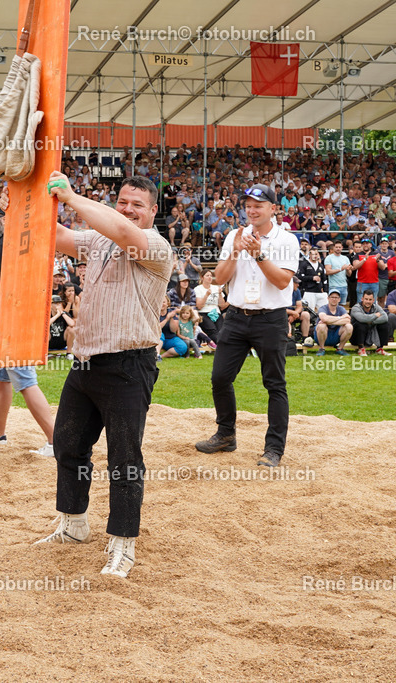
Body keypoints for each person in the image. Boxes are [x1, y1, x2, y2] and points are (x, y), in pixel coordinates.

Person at [33, 172, 172, 580]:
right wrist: (24, 200)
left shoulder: (157, 247)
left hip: (130, 364)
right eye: (123, 201)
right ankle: (74, 523)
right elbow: (56, 234)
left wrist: (73, 197)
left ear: (152, 211)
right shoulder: (97, 239)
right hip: (86, 360)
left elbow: (124, 231)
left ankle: (123, 545)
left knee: (125, 460)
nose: (128, 209)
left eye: (137, 204)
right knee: (68, 442)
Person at [195, 184, 299, 469]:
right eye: (248, 205)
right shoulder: (234, 235)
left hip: (271, 318)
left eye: (259, 205)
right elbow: (218, 278)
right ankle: (226, 434)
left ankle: (274, 448)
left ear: (273, 208)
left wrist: (259, 255)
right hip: (238, 317)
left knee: (275, 384)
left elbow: (281, 282)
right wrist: (235, 252)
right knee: (219, 378)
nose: (252, 210)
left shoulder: (287, 240)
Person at [0, 197, 55, 456]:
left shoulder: (3, 247)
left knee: (25, 382)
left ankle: (57, 440)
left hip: (11, 324)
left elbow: (8, 290)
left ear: (6, 219)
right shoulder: (3, 245)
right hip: (8, 324)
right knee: (1, 380)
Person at [350, 290, 391, 355]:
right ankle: (361, 348)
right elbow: (362, 319)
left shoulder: (376, 307)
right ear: (362, 299)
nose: (368, 301)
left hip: (371, 334)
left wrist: (370, 321)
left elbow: (385, 317)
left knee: (385, 324)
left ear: (373, 300)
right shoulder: (355, 308)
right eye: (366, 299)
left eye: (370, 299)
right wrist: (375, 315)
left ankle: (379, 349)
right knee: (360, 324)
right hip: (356, 337)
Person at [314, 290, 354, 355]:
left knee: (349, 326)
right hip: (322, 336)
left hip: (336, 335)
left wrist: (328, 321)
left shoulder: (341, 309)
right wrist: (340, 318)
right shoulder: (323, 308)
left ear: (339, 299)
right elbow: (324, 318)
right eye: (332, 297)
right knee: (322, 326)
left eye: (336, 297)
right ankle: (321, 349)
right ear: (328, 298)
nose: (334, 299)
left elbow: (348, 320)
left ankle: (340, 348)